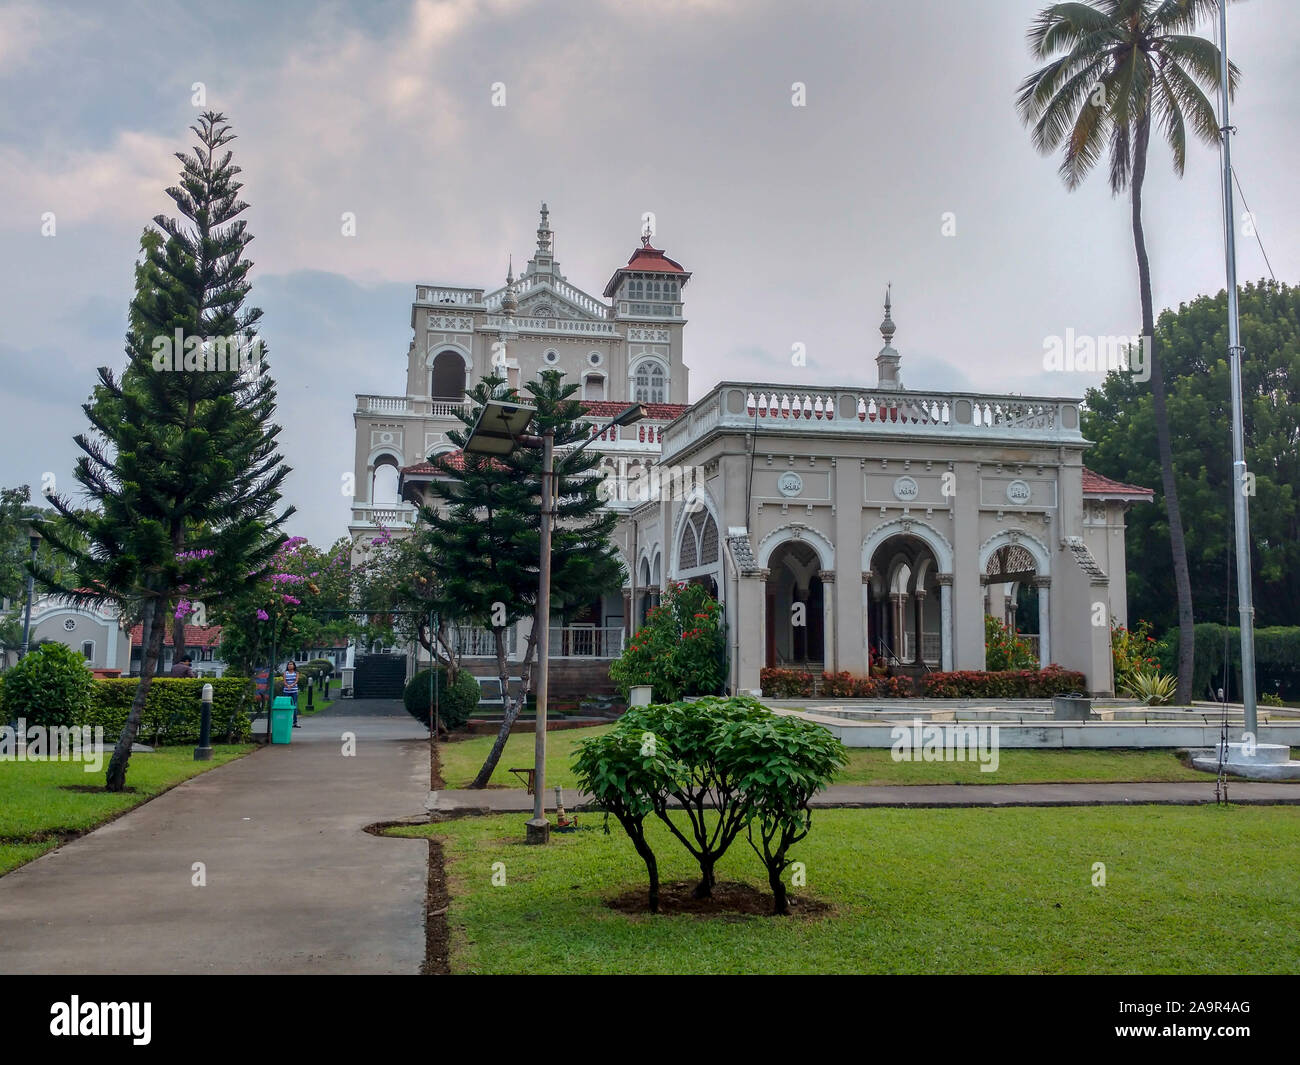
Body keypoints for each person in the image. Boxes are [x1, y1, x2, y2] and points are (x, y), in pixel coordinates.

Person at [284, 661, 301, 727]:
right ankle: (286, 721)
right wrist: (287, 685)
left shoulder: (296, 673)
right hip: (286, 691)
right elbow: (284, 681)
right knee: (286, 706)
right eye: (288, 664)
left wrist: (291, 685)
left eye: (291, 664)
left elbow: (296, 681)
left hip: (294, 691)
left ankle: (295, 722)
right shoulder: (285, 673)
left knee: (294, 706)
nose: (289, 665)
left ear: (294, 666)